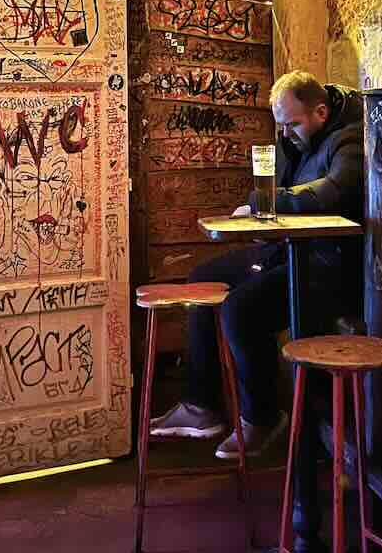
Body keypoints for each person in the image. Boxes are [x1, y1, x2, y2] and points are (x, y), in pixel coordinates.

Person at [150, 70, 365, 458]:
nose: (284, 133)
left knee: (241, 309)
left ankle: (262, 417)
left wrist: (261, 204)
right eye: (280, 125)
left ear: (320, 112)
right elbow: (283, 190)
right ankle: (201, 405)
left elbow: (333, 192)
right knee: (203, 277)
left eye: (291, 124)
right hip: (288, 250)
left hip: (326, 267)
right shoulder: (294, 140)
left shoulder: (349, 139)